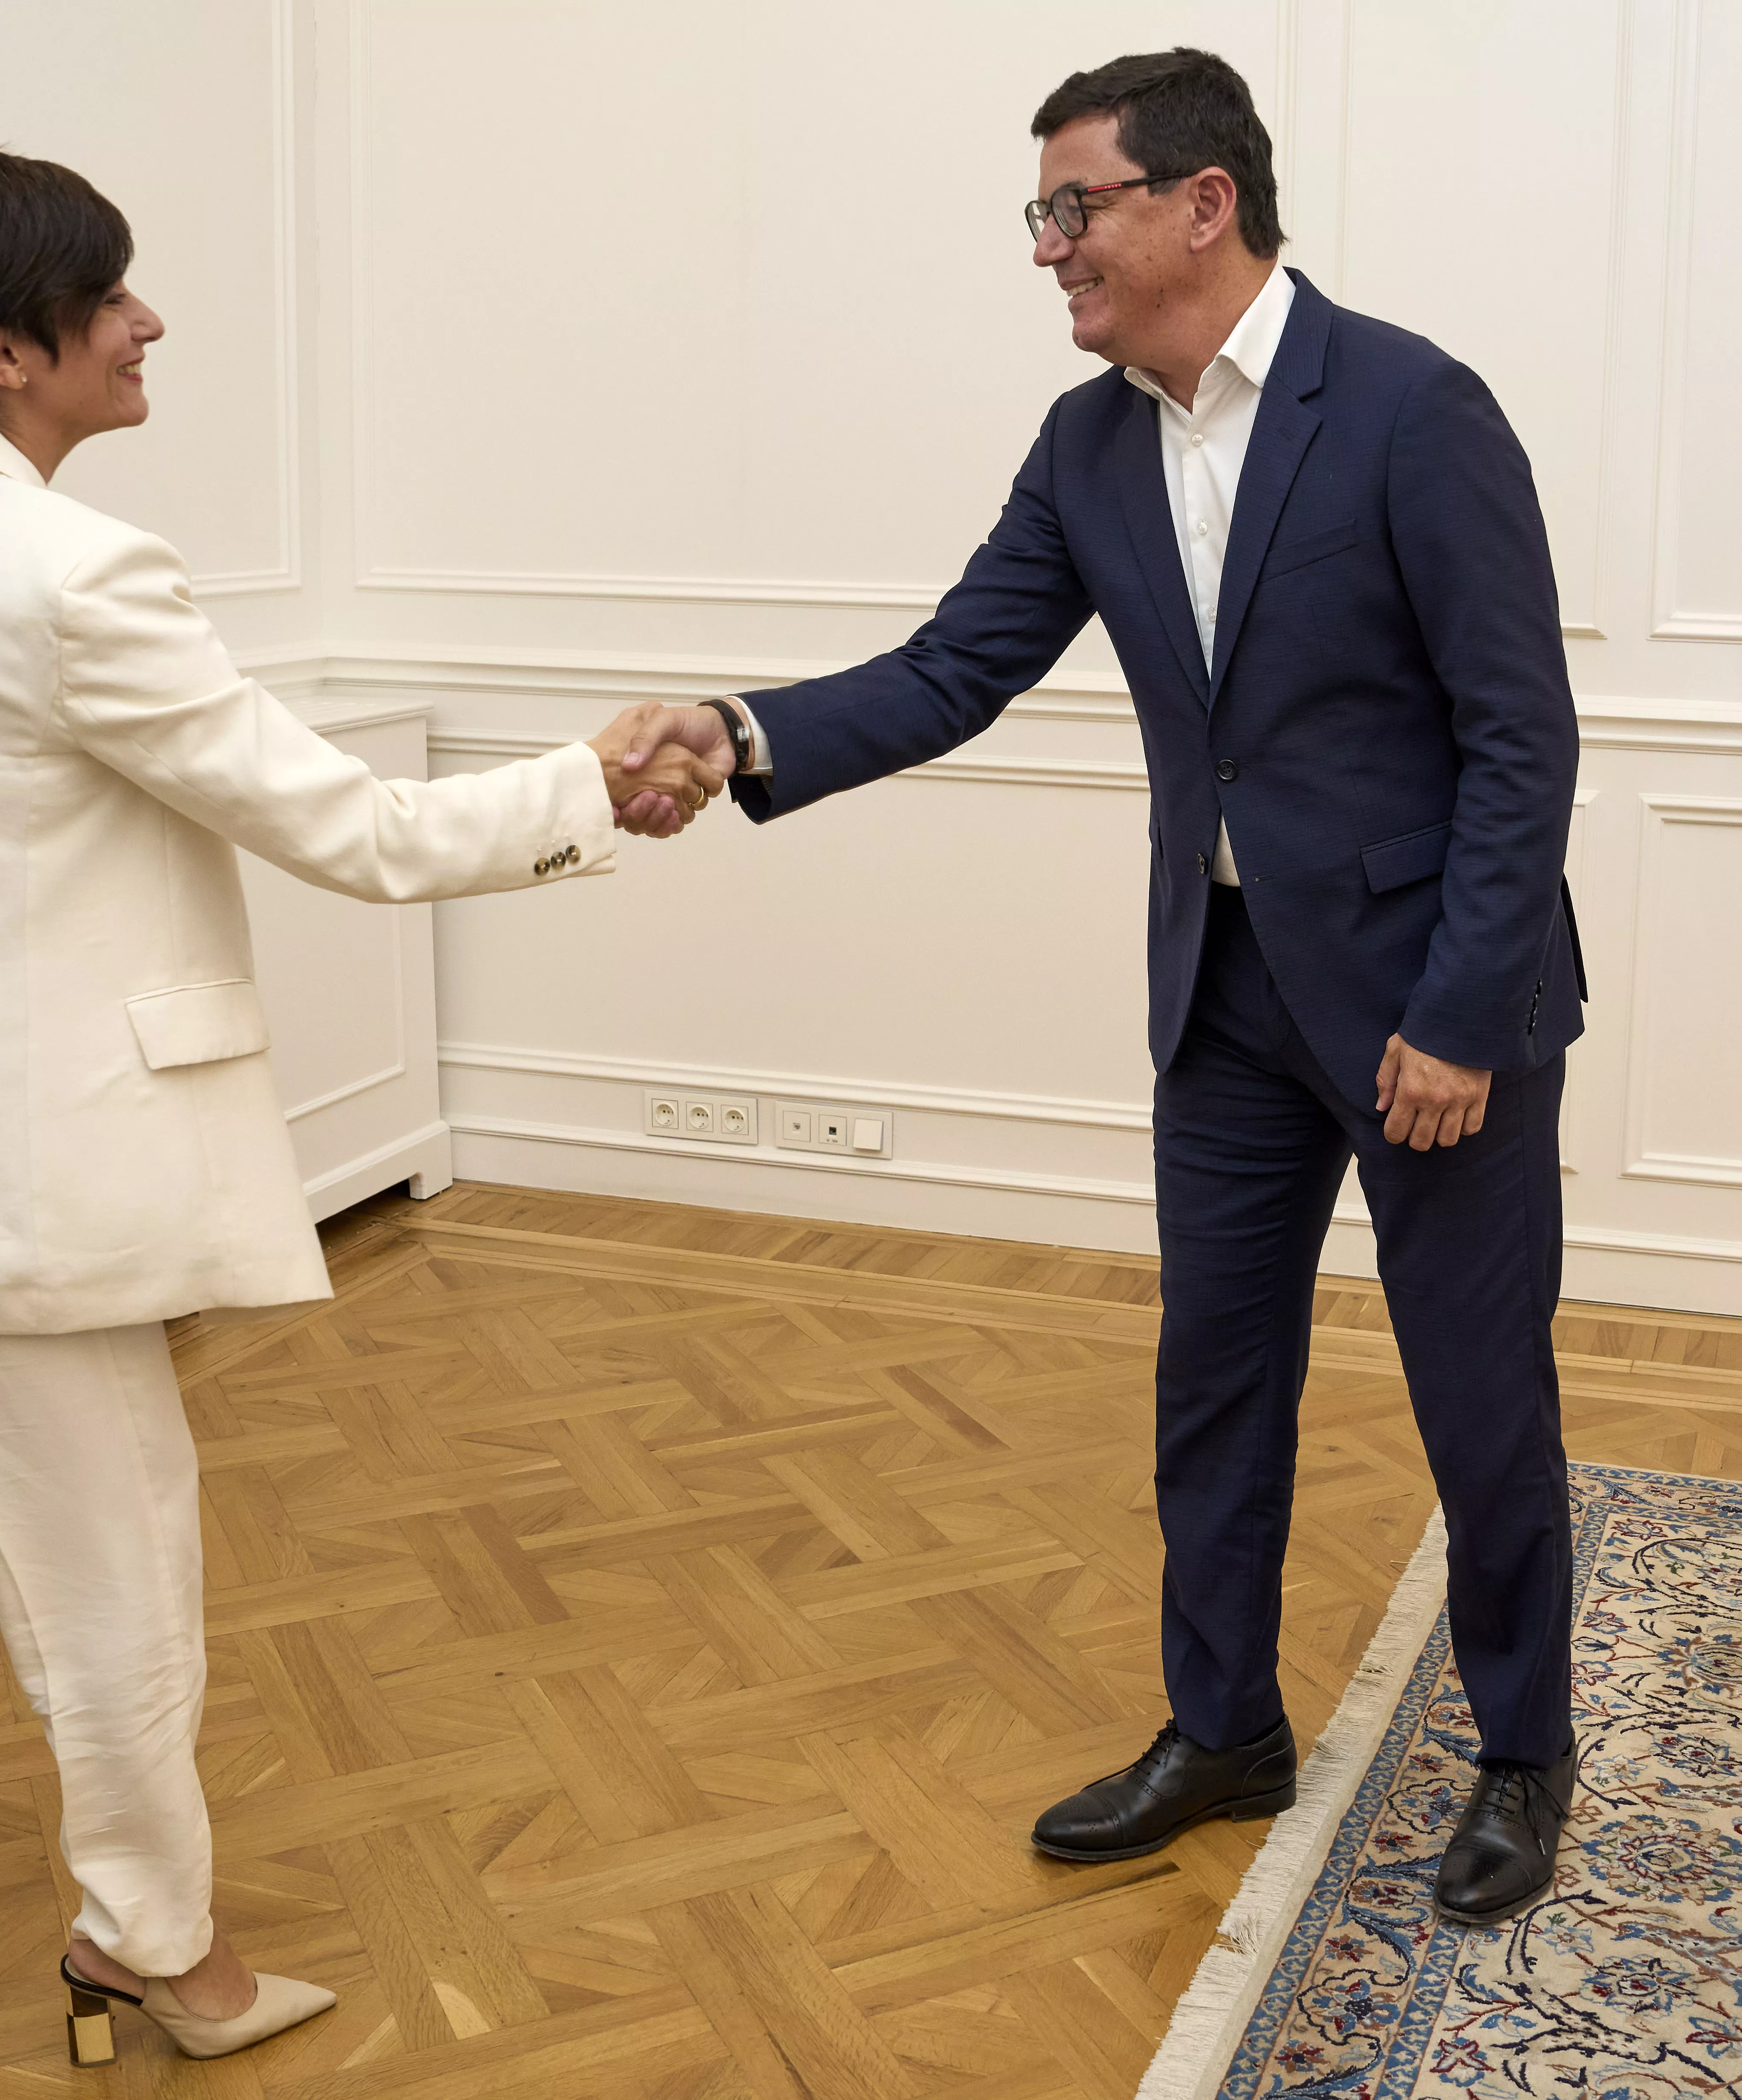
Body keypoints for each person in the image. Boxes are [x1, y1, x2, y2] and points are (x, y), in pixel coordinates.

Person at [0, 144, 721, 2064]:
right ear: (3, 348)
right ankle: (152, 1946)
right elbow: (353, 832)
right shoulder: (67, 571)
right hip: (13, 1172)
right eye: (111, 298)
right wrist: (586, 777)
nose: (148, 323)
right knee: (119, 1578)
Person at [620, 48, 1583, 1929]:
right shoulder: (1084, 444)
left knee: (1477, 1398)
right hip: (1220, 994)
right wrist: (733, 733)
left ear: (1198, 204)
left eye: (1075, 208)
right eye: (1041, 216)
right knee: (1209, 1384)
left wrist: (1464, 1012)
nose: (1047, 250)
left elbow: (1515, 733)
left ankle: (1520, 1753)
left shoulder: (1405, 404)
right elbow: (949, 667)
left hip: (1425, 1008)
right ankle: (1221, 1729)